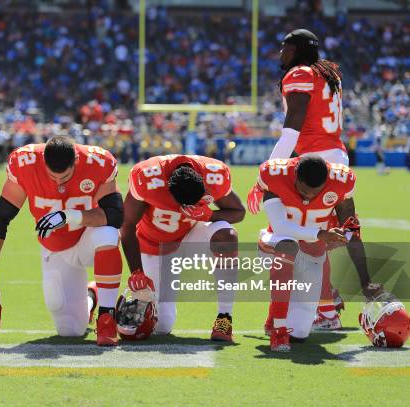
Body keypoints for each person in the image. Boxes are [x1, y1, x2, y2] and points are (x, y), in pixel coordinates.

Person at [0, 136, 123, 346]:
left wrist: (69, 216)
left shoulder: (97, 162)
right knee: (69, 329)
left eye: (65, 177)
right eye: (53, 177)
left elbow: (114, 215)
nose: (58, 183)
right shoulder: (25, 164)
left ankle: (107, 316)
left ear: (76, 161)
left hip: (88, 237)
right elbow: (1, 217)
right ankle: (92, 294)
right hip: (55, 248)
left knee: (108, 233)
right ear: (42, 163)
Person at [246, 29, 349, 329]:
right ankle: (326, 305)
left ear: (299, 50)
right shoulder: (327, 72)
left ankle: (312, 312)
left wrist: (268, 173)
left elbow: (292, 128)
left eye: (286, 47)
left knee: (284, 238)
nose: (281, 52)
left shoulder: (301, 73)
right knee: (316, 238)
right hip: (334, 157)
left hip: (312, 163)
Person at [257, 155, 381, 351]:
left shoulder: (341, 182)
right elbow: (280, 227)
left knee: (299, 333)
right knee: (287, 246)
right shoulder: (275, 174)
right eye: (304, 191)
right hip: (275, 243)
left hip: (312, 253)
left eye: (315, 192)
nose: (308, 197)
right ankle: (278, 330)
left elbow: (351, 233)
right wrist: (320, 233)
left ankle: (278, 315)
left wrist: (365, 281)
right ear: (295, 176)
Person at [120, 154, 245, 340]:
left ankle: (224, 319)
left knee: (226, 236)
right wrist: (136, 271)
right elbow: (127, 225)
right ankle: (96, 293)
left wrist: (209, 215)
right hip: (156, 245)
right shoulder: (146, 177)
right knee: (162, 325)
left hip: (191, 236)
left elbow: (238, 212)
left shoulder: (214, 174)